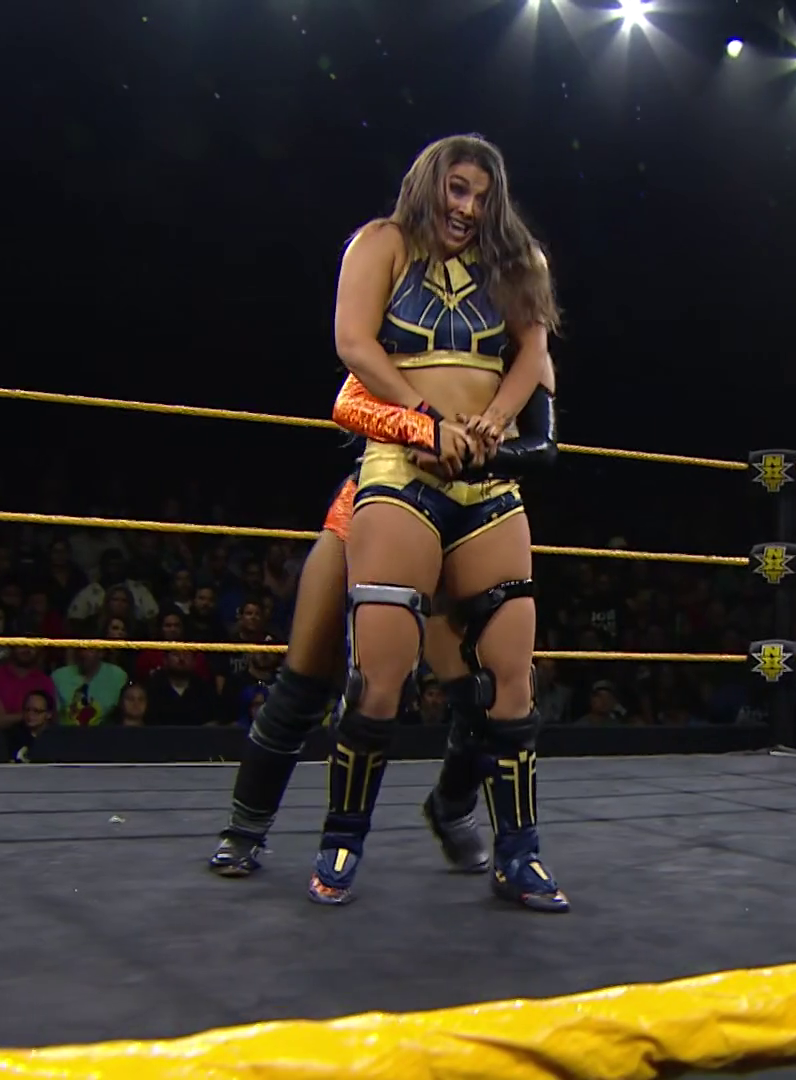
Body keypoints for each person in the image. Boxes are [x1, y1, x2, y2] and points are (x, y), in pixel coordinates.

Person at [316, 132, 564, 913]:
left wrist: (491, 423)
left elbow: (532, 357)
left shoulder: (518, 262)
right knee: (380, 673)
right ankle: (343, 838)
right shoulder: (383, 243)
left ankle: (520, 855)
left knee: (511, 678)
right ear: (430, 185)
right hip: (402, 467)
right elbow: (353, 343)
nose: (468, 209)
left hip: (487, 478)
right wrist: (424, 417)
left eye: (482, 196)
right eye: (458, 190)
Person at [206, 368, 557, 881]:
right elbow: (350, 402)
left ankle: (451, 805)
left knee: (484, 698)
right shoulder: (403, 333)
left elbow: (540, 444)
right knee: (307, 679)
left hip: (473, 515)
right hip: (384, 500)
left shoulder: (522, 352)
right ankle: (245, 829)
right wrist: (430, 431)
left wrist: (477, 455)